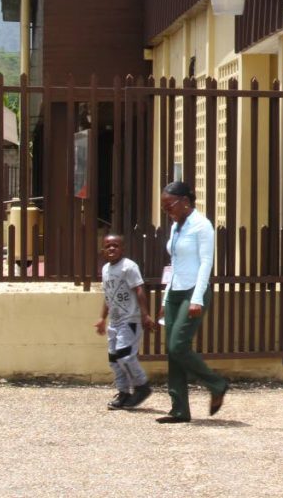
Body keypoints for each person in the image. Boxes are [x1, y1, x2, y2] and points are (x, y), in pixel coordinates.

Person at [155, 181, 230, 423]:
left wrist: (197, 298)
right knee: (172, 352)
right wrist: (166, 296)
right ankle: (179, 409)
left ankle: (216, 384)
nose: (167, 211)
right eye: (164, 207)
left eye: (169, 206)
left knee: (178, 346)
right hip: (175, 292)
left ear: (185, 202)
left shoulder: (202, 225)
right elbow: (175, 264)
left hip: (193, 293)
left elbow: (206, 263)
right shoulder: (177, 226)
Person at [94, 233, 155, 410]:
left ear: (122, 249)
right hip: (114, 321)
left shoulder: (128, 267)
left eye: (116, 245)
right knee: (114, 359)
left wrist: (145, 314)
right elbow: (108, 296)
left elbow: (139, 290)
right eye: (108, 246)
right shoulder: (106, 269)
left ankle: (142, 387)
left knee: (125, 355)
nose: (112, 248)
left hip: (130, 320)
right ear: (103, 250)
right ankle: (123, 392)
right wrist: (101, 318)